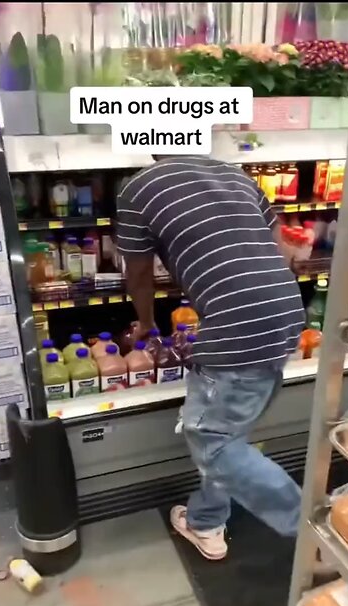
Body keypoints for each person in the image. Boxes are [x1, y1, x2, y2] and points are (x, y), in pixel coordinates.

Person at [116, 156, 304, 560]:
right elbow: (277, 245)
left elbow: (139, 275)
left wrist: (146, 322)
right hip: (287, 312)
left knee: (213, 444)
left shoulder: (134, 189)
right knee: (226, 433)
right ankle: (205, 522)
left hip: (240, 325)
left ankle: (309, 527)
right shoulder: (233, 173)